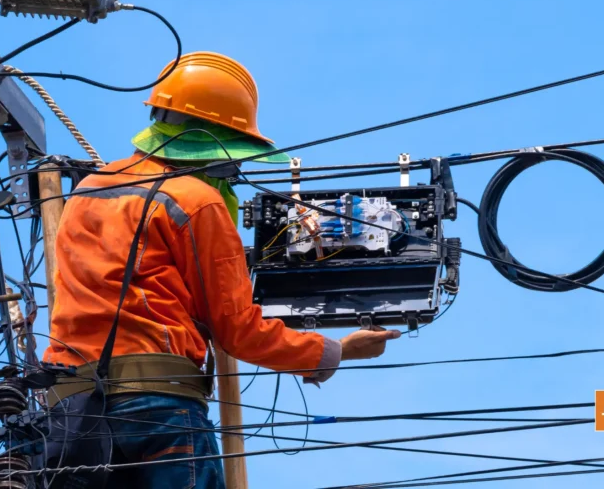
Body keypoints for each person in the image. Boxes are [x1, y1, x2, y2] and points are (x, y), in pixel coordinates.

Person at [42, 51, 401, 489]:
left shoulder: (88, 191)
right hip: (158, 405)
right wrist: (335, 352)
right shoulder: (195, 202)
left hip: (72, 407)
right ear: (219, 143)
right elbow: (238, 331)